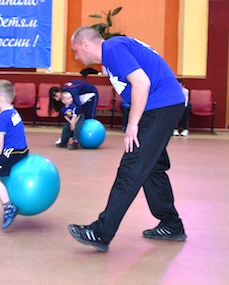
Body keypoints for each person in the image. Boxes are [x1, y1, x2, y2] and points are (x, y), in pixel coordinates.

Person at [67, 26, 187, 252]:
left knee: (131, 168)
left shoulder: (112, 48)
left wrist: (132, 125)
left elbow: (142, 83)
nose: (76, 56)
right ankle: (171, 225)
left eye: (75, 50)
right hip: (163, 105)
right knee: (152, 167)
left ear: (86, 44)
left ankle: (101, 232)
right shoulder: (113, 53)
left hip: (160, 106)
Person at [0, 80, 29, 229]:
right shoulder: (13, 111)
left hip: (12, 152)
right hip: (22, 150)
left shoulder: (2, 116)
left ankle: (9, 207)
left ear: (1, 99)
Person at [49, 79, 98, 146]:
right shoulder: (65, 95)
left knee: (89, 117)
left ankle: (92, 139)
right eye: (54, 98)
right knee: (74, 119)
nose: (56, 99)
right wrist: (72, 122)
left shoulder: (71, 92)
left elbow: (78, 106)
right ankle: (67, 137)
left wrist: (73, 122)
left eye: (56, 96)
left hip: (91, 94)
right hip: (81, 96)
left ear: (59, 91)